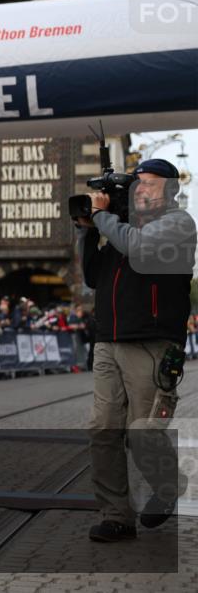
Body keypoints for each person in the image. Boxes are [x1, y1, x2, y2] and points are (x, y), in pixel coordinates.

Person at [77, 158, 196, 542]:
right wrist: (87, 231)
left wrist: (103, 219)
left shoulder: (178, 223)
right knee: (103, 429)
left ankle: (166, 484)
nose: (140, 189)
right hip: (109, 341)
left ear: (170, 189)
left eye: (148, 183)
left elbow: (140, 248)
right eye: (136, 183)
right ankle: (116, 515)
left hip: (152, 342)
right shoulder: (119, 226)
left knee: (143, 430)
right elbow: (93, 276)